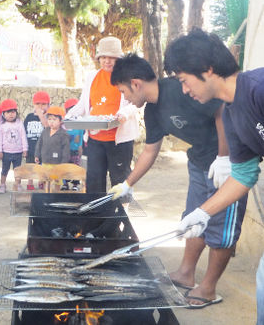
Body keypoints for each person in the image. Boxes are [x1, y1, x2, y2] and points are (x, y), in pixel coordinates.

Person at [108, 53, 249, 309]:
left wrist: (224, 157)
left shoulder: (179, 88)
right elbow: (150, 151)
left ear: (136, 83)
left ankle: (208, 289)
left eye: (123, 91)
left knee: (221, 227)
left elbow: (221, 110)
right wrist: (127, 184)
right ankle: (186, 272)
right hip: (198, 163)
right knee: (193, 218)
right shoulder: (152, 111)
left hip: (229, 165)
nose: (125, 98)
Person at [163, 30, 264, 316]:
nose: (184, 90)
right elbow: (244, 175)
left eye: (184, 80)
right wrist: (202, 213)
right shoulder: (231, 115)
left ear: (207, 69)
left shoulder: (259, 88)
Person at [65, 36, 139, 194]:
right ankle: (96, 215)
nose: (107, 61)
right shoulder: (92, 76)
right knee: (94, 180)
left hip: (119, 141)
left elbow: (136, 102)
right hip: (95, 139)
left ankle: (118, 215)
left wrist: (124, 114)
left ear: (119, 59)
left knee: (120, 180)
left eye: (112, 58)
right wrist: (68, 117)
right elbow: (83, 103)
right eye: (104, 57)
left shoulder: (128, 77)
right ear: (99, 58)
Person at [34, 106, 70, 191]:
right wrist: (37, 155)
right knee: (46, 180)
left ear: (60, 121)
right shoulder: (45, 131)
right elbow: (39, 144)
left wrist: (63, 164)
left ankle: (56, 195)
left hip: (57, 164)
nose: (51, 122)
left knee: (57, 181)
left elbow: (66, 150)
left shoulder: (63, 134)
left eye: (54, 119)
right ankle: (47, 194)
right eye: (49, 119)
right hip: (45, 162)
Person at [0, 99, 28, 193]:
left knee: (18, 170)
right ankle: (2, 185)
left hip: (18, 152)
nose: (11, 114)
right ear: (3, 114)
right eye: (8, 112)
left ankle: (18, 184)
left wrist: (25, 149)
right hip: (6, 152)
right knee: (4, 169)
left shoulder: (19, 123)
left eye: (13, 112)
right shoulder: (1, 125)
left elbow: (23, 136)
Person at [24, 91, 50, 190]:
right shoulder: (29, 116)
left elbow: (47, 126)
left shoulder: (48, 117)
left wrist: (41, 116)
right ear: (33, 104)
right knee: (31, 166)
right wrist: (25, 148)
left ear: (48, 105)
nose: (40, 106)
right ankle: (30, 183)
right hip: (31, 146)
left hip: (43, 148)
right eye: (37, 104)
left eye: (43, 104)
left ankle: (41, 181)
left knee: (42, 167)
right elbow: (24, 131)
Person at [63, 98, 84, 191]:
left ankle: (75, 184)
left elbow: (81, 136)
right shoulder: (64, 123)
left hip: (75, 150)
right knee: (65, 167)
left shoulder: (79, 123)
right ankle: (65, 183)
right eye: (70, 109)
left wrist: (80, 146)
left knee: (76, 167)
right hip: (65, 151)